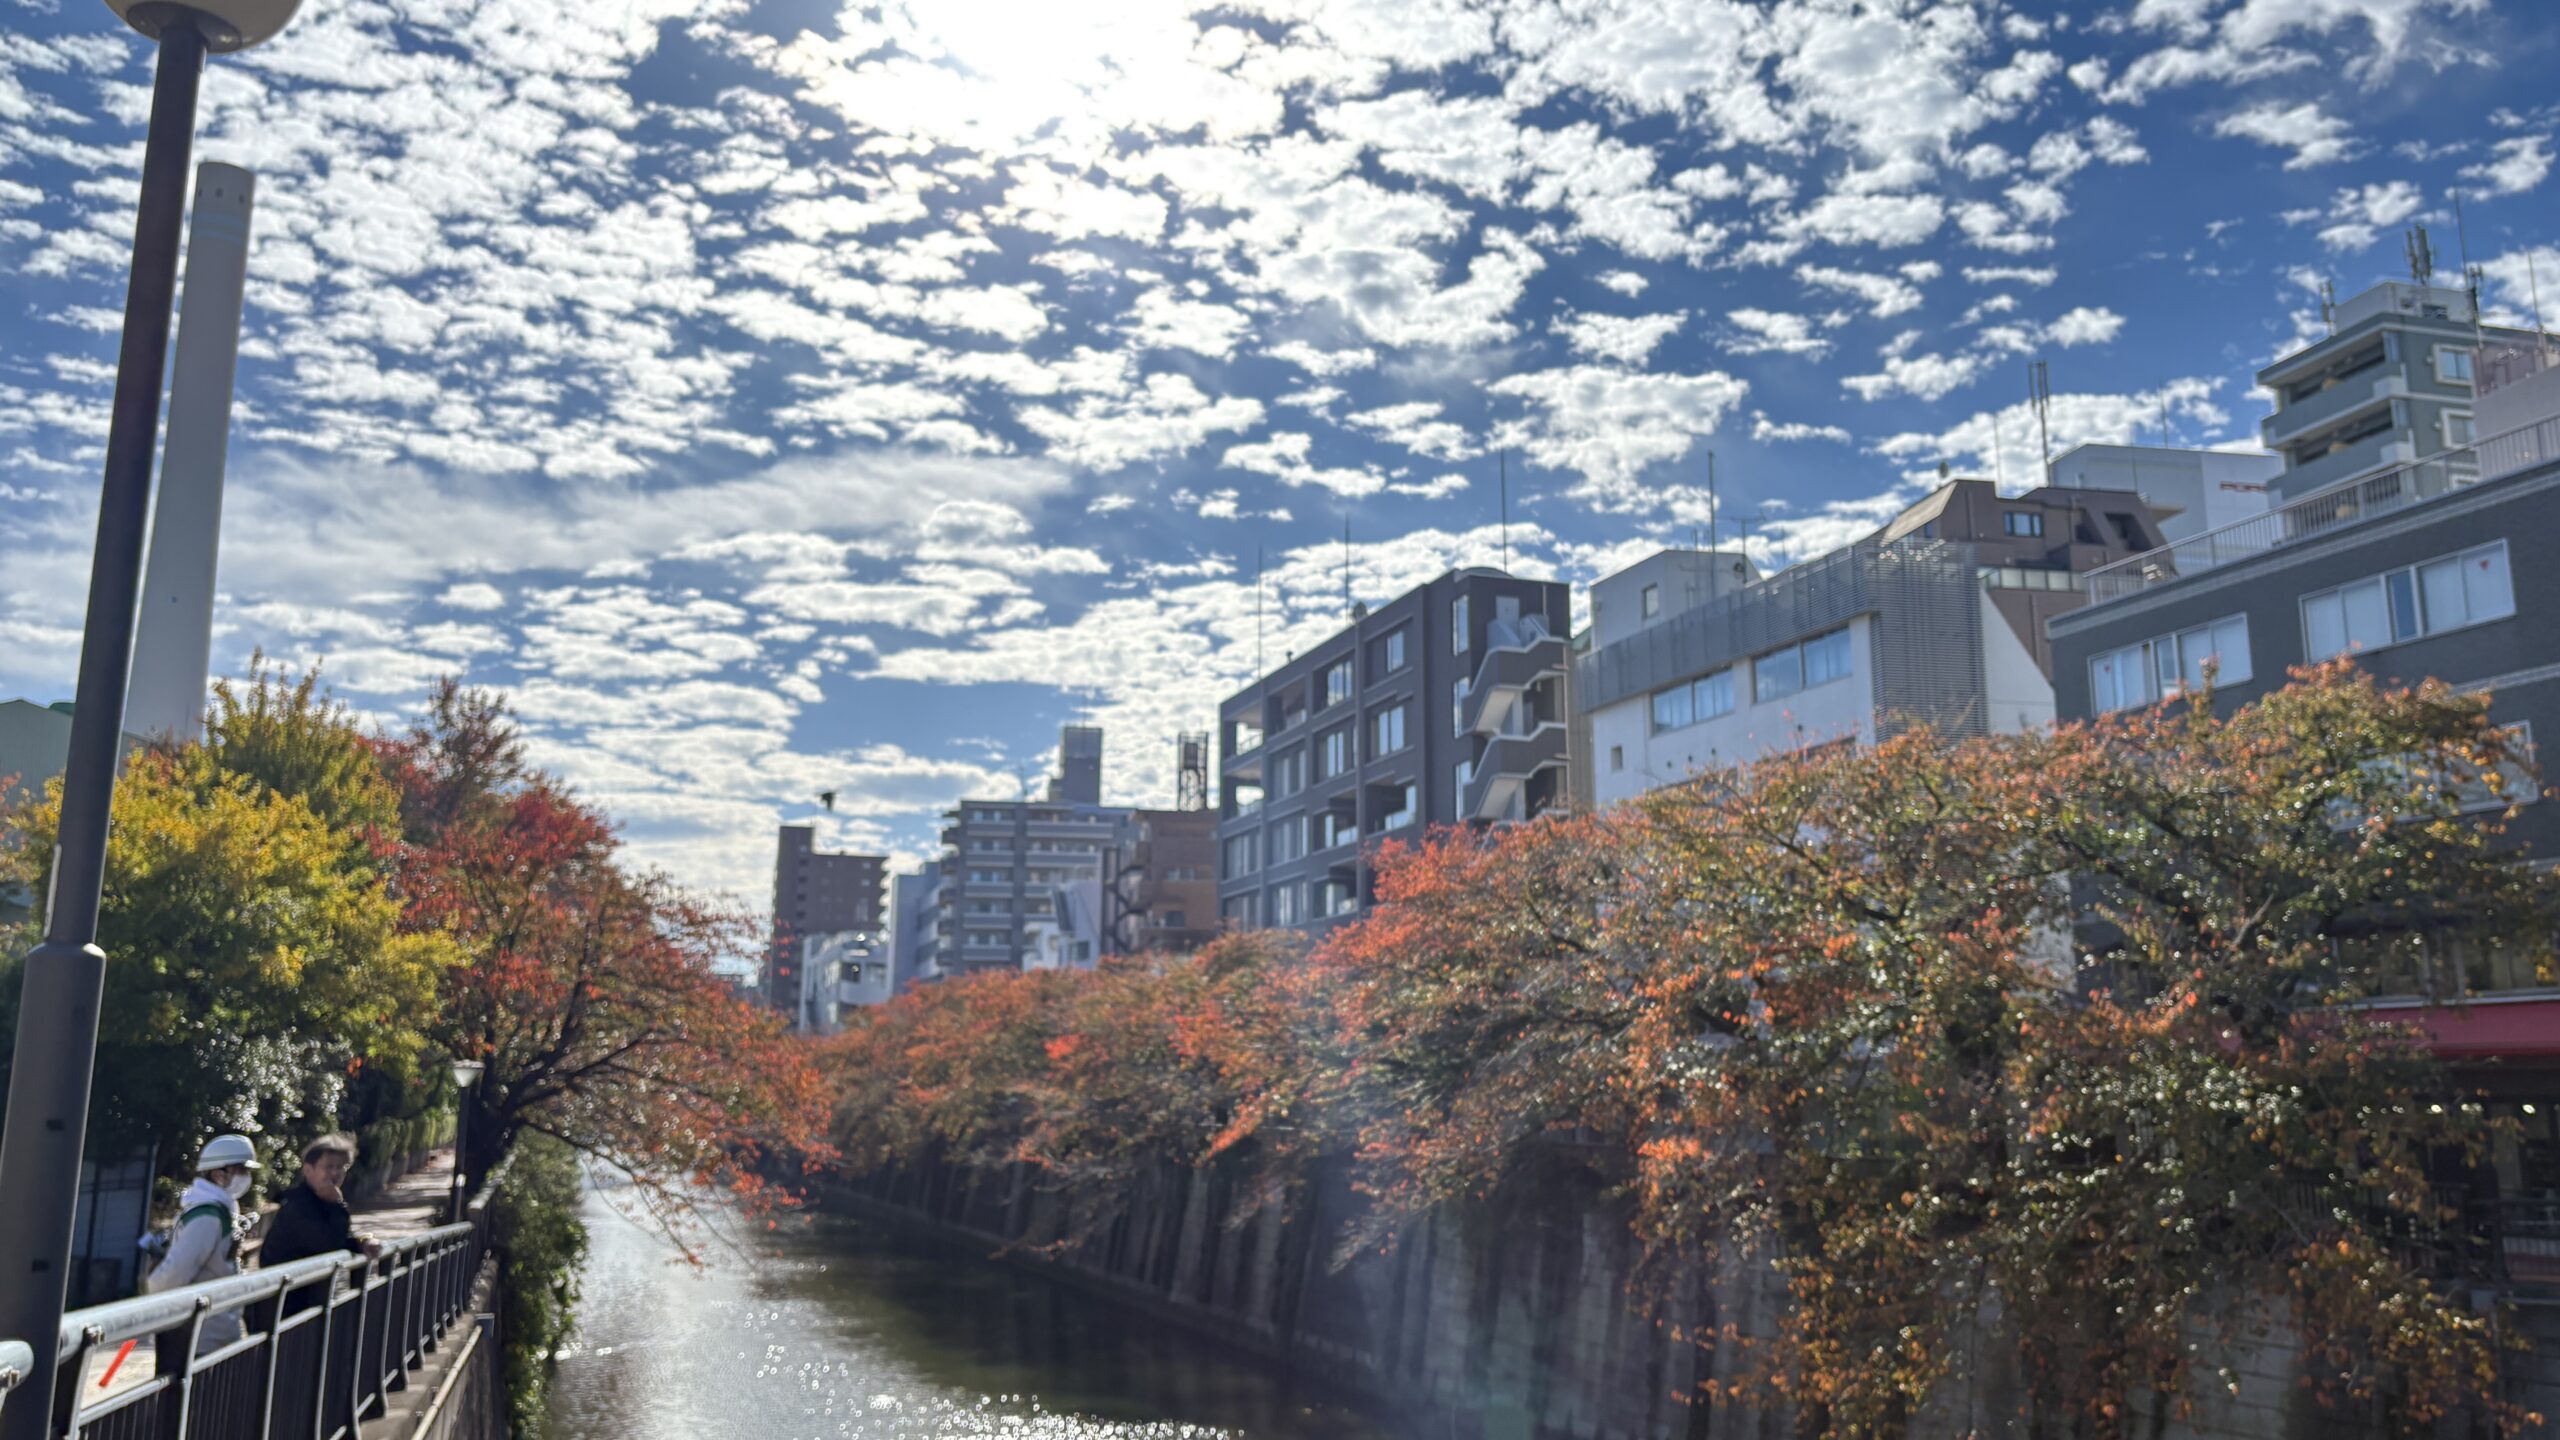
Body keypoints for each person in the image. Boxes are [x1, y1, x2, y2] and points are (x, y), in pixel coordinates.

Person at [145, 1134, 259, 1353]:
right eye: (241, 1170)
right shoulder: (207, 1216)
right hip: (200, 1336)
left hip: (212, 1329)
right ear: (218, 1174)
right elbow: (175, 1273)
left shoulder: (219, 1210)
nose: (246, 1177)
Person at [258, 1133, 382, 1271]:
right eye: (329, 1167)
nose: (336, 1173)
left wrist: (363, 1242)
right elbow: (329, 1244)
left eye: (341, 1167)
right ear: (308, 1170)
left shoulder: (324, 1200)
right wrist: (337, 1205)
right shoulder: (298, 1204)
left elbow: (339, 1237)